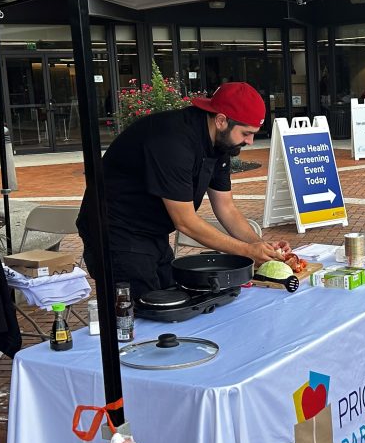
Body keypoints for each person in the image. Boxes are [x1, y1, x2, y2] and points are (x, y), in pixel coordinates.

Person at [77, 82, 290, 299]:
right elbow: (185, 221)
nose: (251, 142)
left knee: (171, 299)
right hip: (115, 231)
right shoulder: (173, 141)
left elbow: (227, 207)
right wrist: (246, 251)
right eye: (246, 133)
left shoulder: (221, 142)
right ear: (221, 120)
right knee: (142, 308)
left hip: (152, 232)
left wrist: (260, 246)